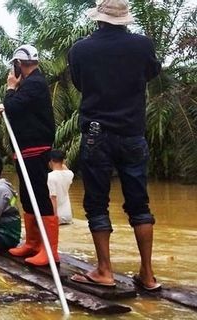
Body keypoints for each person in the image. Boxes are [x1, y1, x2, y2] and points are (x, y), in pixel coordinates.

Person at [68, 0, 161, 290]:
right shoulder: (143, 46)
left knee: (97, 203)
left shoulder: (80, 49)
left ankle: (104, 271)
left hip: (97, 134)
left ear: (99, 18)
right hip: (133, 133)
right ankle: (147, 275)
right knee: (139, 203)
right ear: (124, 19)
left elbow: (81, 85)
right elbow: (150, 73)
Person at [0, 44, 58, 267]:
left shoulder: (34, 83)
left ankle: (49, 251)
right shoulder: (30, 84)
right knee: (26, 195)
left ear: (19, 64)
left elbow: (13, 106)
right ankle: (33, 243)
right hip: (24, 148)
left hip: (35, 147)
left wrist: (11, 88)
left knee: (39, 195)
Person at [48, 150, 74, 225]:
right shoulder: (70, 174)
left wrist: (54, 218)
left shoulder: (50, 177)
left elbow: (53, 198)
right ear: (63, 161)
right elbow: (64, 168)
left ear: (51, 161)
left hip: (57, 216)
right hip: (68, 216)